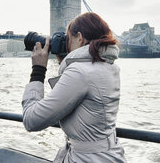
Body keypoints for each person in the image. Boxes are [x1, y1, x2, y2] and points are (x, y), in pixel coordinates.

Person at [22, 12, 127, 163]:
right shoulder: (108, 66)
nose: (66, 44)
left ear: (80, 37)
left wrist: (38, 71)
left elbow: (32, 120)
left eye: (68, 39)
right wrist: (65, 64)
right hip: (107, 155)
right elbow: (71, 104)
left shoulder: (80, 72)